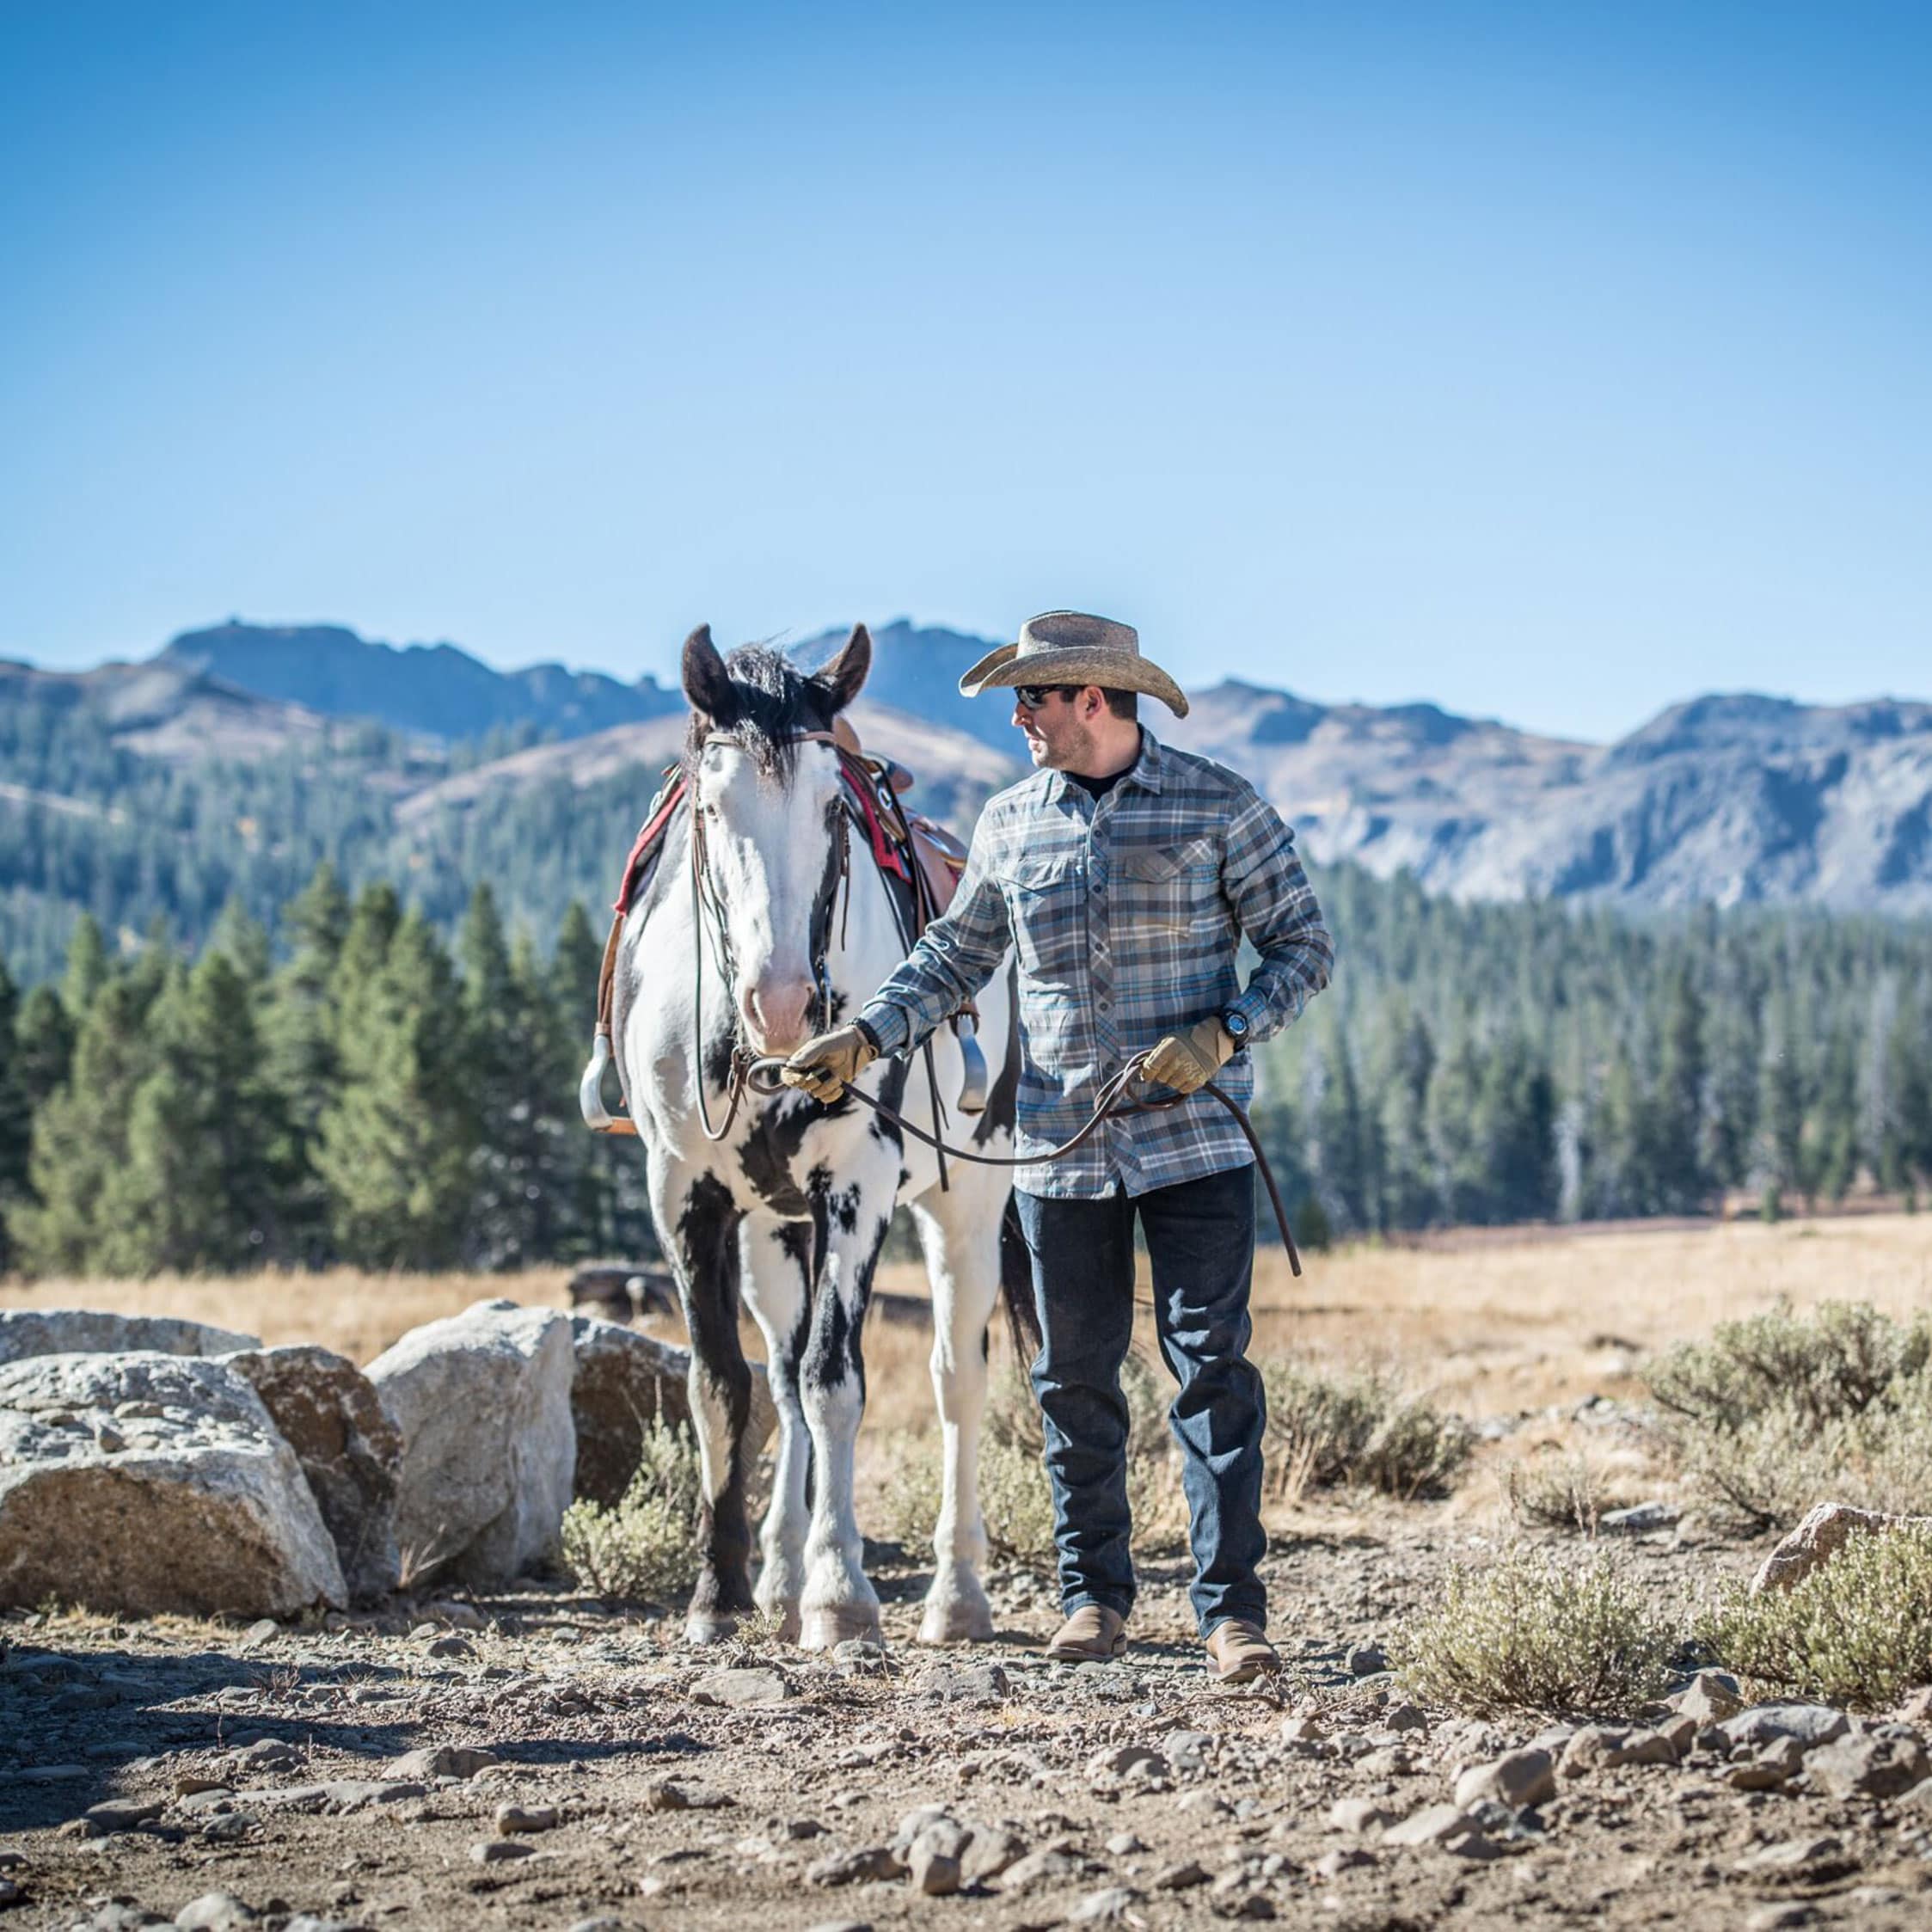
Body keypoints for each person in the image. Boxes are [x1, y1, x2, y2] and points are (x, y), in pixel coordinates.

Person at [782, 610, 1333, 1681]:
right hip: (1056, 1154)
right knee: (1070, 1382)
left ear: (1094, 698)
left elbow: (1305, 948)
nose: (1018, 717)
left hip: (1197, 1148)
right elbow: (956, 955)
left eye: (1032, 697)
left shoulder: (1220, 804)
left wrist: (1226, 1031)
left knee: (1212, 1372)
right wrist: (867, 1035)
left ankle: (1232, 1616)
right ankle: (1096, 1602)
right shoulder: (1008, 823)